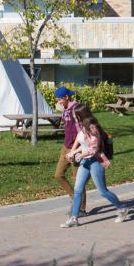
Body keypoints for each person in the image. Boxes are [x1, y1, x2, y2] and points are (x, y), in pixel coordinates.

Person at [60, 104, 128, 228]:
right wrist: (73, 152)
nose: (74, 117)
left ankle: (122, 208)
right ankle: (74, 218)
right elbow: (83, 144)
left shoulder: (93, 128)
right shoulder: (83, 127)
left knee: (102, 191)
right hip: (85, 162)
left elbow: (93, 149)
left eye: (75, 115)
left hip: (95, 162)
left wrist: (80, 155)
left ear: (81, 116)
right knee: (78, 190)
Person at [53, 86, 86, 217]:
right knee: (58, 175)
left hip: (77, 149)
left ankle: (81, 209)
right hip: (66, 148)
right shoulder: (65, 109)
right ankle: (74, 198)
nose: (58, 102)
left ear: (66, 97)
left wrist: (76, 150)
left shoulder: (77, 110)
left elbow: (82, 132)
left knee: (79, 180)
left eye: (60, 99)